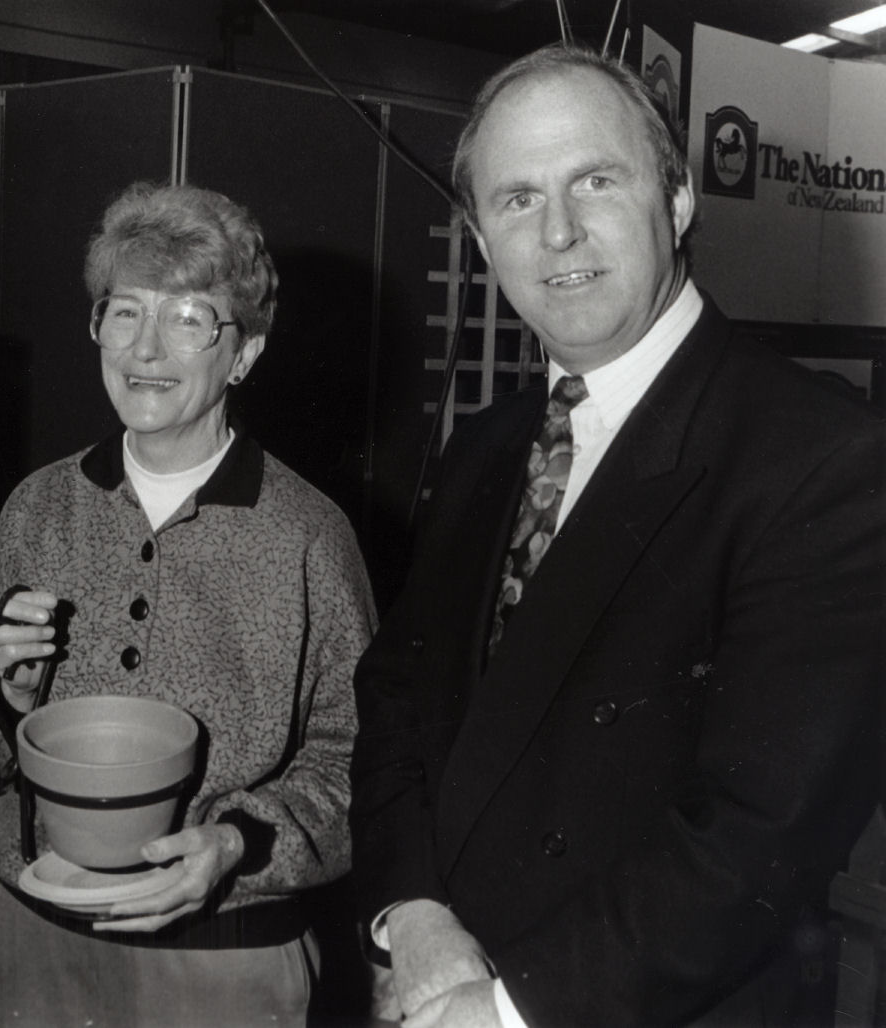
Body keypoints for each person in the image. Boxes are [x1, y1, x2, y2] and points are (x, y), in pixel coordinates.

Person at [349, 42, 885, 1028]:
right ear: (479, 239)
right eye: (514, 199)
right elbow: (395, 697)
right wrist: (410, 909)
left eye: (595, 180)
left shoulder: (819, 456)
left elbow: (756, 832)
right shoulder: (484, 445)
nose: (556, 232)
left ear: (676, 199)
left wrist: (506, 1007)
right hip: (437, 976)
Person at [0, 181, 377, 1027]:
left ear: (244, 352)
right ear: (96, 327)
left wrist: (234, 847)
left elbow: (356, 766)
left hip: (224, 961)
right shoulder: (38, 509)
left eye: (188, 317)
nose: (147, 347)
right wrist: (8, 703)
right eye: (124, 311)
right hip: (33, 938)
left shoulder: (309, 537)